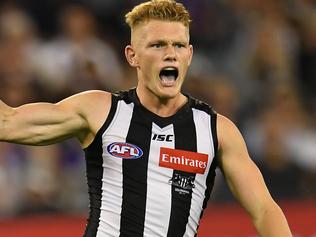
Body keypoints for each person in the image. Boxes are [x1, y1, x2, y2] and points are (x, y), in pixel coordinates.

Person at [0, 0, 292, 236]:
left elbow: (264, 209)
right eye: (157, 45)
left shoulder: (217, 130)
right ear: (132, 56)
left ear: (189, 54)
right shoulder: (100, 110)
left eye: (178, 46)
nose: (170, 55)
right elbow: (7, 122)